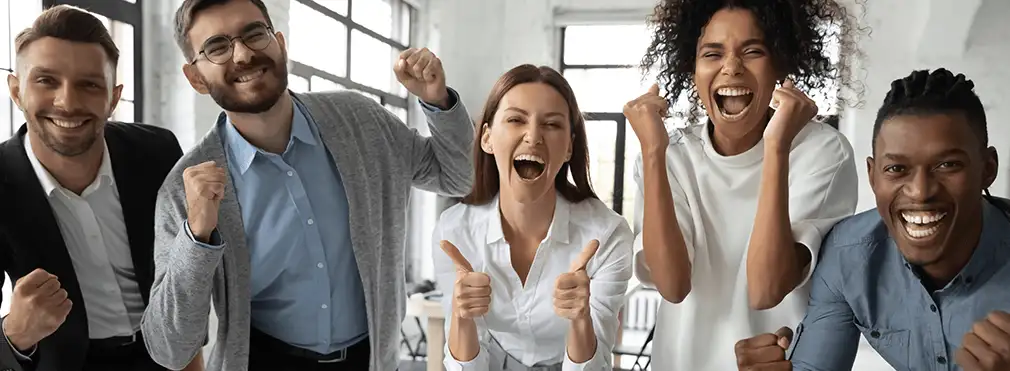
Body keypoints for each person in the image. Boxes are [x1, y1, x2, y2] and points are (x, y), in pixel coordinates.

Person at [139, 0, 475, 370]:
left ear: (280, 43)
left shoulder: (361, 121)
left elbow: (457, 176)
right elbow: (171, 349)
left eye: (254, 33)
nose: (243, 54)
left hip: (372, 359)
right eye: (217, 47)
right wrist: (196, 237)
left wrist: (437, 102)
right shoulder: (184, 191)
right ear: (196, 78)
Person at [627, 0, 864, 369]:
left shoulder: (822, 152)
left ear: (781, 66)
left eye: (752, 51)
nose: (732, 68)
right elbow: (673, 285)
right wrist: (654, 154)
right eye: (712, 53)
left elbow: (766, 288)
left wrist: (776, 146)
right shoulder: (670, 155)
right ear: (693, 71)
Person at [735, 68, 1010, 371]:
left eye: (947, 165)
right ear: (872, 176)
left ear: (988, 169)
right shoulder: (849, 255)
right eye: (896, 169)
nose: (920, 192)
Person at [0, 5, 204, 371]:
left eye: (89, 84)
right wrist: (15, 332)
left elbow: (181, 278)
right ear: (16, 90)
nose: (67, 102)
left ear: (113, 97)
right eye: (46, 80)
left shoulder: (158, 152)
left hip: (163, 355)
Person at [432, 65, 633, 371]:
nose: (533, 136)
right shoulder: (454, 232)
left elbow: (597, 365)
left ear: (568, 147)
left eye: (552, 125)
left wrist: (581, 321)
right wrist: (461, 317)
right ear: (487, 138)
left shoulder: (607, 235)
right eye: (515, 119)